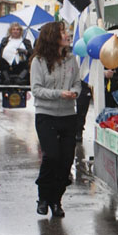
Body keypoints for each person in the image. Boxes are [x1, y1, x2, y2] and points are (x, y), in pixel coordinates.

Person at [30, 22, 81, 217]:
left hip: (68, 115)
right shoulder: (39, 61)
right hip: (46, 115)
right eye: (62, 32)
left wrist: (75, 92)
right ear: (52, 36)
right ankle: (43, 196)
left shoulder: (71, 59)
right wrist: (60, 94)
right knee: (51, 156)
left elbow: (77, 83)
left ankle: (56, 200)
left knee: (66, 160)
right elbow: (36, 89)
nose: (66, 35)